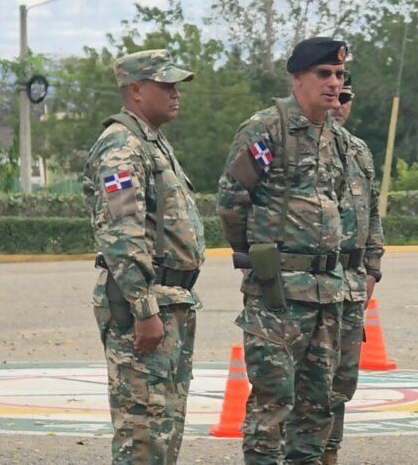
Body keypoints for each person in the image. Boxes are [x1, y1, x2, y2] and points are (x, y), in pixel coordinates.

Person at [216, 36, 349, 464]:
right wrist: (258, 257)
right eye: (323, 74)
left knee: (317, 407)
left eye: (339, 74)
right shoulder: (266, 129)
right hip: (278, 295)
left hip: (327, 293)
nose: (334, 83)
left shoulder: (334, 135)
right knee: (271, 406)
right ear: (298, 79)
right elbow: (231, 200)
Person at [83, 49, 205, 464]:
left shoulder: (150, 141)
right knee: (143, 435)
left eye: (176, 86)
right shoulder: (121, 145)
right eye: (165, 85)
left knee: (163, 429)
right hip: (147, 302)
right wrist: (143, 306)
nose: (176, 94)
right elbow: (121, 231)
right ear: (135, 89)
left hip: (170, 299)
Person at [321, 73, 384, 465]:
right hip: (308, 283)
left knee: (341, 381)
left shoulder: (359, 151)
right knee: (304, 383)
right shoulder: (293, 144)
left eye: (347, 96)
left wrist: (373, 268)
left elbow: (371, 213)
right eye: (336, 95)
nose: (341, 104)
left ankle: (330, 453)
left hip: (352, 283)